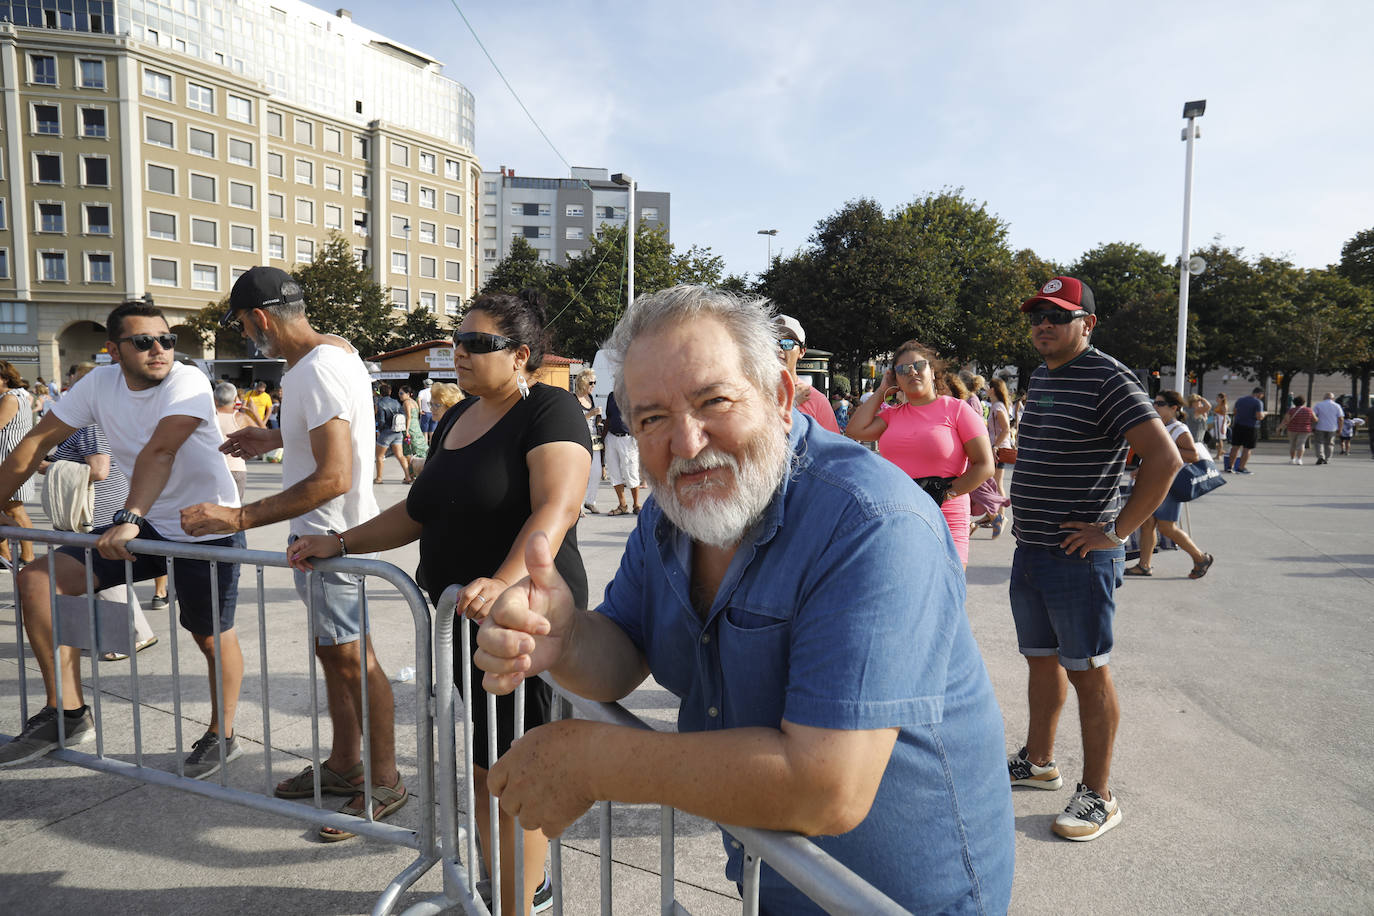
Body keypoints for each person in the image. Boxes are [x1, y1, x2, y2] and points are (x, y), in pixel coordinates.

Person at [473, 285, 1014, 913]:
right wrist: (563, 637)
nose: (686, 442)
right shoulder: (671, 515)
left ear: (782, 396)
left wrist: (595, 762)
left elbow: (826, 787)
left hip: (904, 897)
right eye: (651, 418)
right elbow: (624, 650)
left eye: (714, 401)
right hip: (773, 884)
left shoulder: (874, 523)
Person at [288, 292, 588, 914]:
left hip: (524, 618)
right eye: (458, 340)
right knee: (482, 766)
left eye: (479, 343)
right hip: (462, 619)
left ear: (521, 355)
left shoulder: (549, 409)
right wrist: (339, 541)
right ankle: (504, 887)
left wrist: (505, 579)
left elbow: (556, 507)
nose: (461, 352)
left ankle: (519, 899)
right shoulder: (458, 417)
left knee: (514, 769)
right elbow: (416, 512)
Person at [181, 266, 402, 842]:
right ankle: (345, 763)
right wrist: (277, 437)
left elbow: (333, 475)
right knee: (336, 656)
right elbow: (337, 435)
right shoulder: (338, 352)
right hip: (323, 540)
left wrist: (237, 517)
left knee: (355, 661)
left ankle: (384, 780)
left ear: (257, 318)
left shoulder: (314, 370)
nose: (250, 337)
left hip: (331, 538)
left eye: (245, 326)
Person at [0, 300, 245, 777]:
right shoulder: (98, 383)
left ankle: (224, 734)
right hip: (145, 520)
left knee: (210, 637)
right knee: (37, 582)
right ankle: (66, 713)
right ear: (113, 349)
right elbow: (35, 442)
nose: (160, 350)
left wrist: (130, 515)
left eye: (166, 340)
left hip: (205, 526)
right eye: (143, 341)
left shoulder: (187, 380)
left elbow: (162, 450)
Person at [1006, 277, 1180, 842]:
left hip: (1077, 558)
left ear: (1088, 323)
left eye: (1057, 315)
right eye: (1037, 315)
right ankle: (1039, 762)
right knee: (1041, 660)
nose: (1043, 325)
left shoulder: (1107, 376)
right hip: (1031, 547)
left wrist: (1118, 534)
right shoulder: (1043, 375)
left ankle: (1100, 794)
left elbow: (1165, 458)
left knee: (1087, 672)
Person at [39, 368, 158, 662]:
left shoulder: (91, 424)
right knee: (98, 576)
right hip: (93, 510)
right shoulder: (93, 421)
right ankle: (122, 634)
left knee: (104, 576)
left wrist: (46, 467)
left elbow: (99, 469)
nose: (67, 391)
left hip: (95, 511)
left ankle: (136, 635)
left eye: (72, 386)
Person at [845, 342, 994, 567]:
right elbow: (854, 430)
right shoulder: (892, 415)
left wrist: (946, 494)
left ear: (932, 371)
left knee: (945, 591)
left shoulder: (957, 410)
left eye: (918, 365)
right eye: (902, 370)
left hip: (946, 515)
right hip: (900, 514)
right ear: (896, 379)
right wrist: (882, 387)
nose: (912, 371)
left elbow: (984, 465)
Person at [1124, 390, 1215, 579]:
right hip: (1153, 483)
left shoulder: (1179, 429)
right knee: (1147, 524)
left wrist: (1167, 450)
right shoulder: (1160, 426)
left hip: (1169, 485)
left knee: (1167, 527)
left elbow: (1192, 455)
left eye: (1160, 404)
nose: (1155, 406)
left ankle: (1200, 558)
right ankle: (1144, 565)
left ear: (1174, 408)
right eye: (1154, 403)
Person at [773, 314, 840, 433]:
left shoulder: (817, 400)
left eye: (787, 343)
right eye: (772, 341)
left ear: (802, 352)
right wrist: (791, 403)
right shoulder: (751, 394)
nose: (779, 349)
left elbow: (832, 448)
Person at [0, 361, 38, 567]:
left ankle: (28, 555)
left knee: (14, 509)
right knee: (8, 509)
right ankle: (5, 556)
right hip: (12, 458)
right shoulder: (21, 395)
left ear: (4, 378)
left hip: (9, 459)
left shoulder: (10, 398)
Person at [213, 381, 255, 502]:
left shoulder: (208, 417)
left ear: (215, 398)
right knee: (234, 509)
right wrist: (254, 413)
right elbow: (264, 434)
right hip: (236, 467)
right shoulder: (241, 418)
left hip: (213, 468)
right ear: (235, 398)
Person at [603, 389, 642, 515]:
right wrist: (603, 439)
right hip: (611, 437)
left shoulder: (634, 394)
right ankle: (622, 505)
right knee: (614, 473)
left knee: (631, 472)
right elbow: (608, 418)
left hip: (628, 438)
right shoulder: (611, 396)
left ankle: (636, 505)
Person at [574, 370, 604, 515]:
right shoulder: (574, 398)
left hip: (594, 439)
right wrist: (590, 414)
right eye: (591, 382)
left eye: (594, 383)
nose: (593, 385)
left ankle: (590, 501)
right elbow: (573, 420)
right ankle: (577, 506)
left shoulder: (590, 397)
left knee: (597, 472)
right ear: (583, 382)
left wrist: (598, 418)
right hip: (580, 439)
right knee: (582, 474)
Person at [373, 383, 413, 484]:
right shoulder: (396, 402)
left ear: (380, 393)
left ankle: (379, 478)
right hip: (397, 431)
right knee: (400, 455)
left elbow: (381, 420)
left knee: (379, 456)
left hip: (387, 432)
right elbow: (402, 414)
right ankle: (408, 477)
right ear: (390, 392)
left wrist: (379, 431)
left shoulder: (380, 404)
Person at [1227, 387, 1265, 474]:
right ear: (1260, 394)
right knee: (1247, 448)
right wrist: (1264, 414)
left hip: (1238, 425)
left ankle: (1230, 466)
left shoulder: (1240, 400)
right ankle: (1241, 467)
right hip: (1251, 427)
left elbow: (1235, 412)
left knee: (1235, 447)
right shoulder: (1258, 402)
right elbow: (1259, 416)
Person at [1278, 395, 1317, 465]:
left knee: (1292, 444)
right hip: (1305, 430)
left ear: (1294, 403)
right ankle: (1299, 459)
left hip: (1292, 429)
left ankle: (1292, 459)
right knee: (1301, 444)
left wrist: (1279, 427)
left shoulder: (1291, 410)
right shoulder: (1309, 410)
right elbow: (1315, 419)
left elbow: (1285, 420)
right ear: (1304, 402)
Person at [399, 385, 428, 475]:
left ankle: (411, 473)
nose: (399, 395)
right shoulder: (414, 402)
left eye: (401, 393)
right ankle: (417, 471)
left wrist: (407, 431)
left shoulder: (406, 403)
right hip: (416, 427)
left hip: (410, 427)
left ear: (408, 394)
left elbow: (408, 417)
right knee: (419, 449)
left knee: (407, 451)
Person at [1311, 392, 1344, 465]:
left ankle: (1320, 456)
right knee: (1329, 444)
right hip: (1332, 428)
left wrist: (1312, 426)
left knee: (1319, 442)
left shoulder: (1318, 405)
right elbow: (1341, 418)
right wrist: (1340, 429)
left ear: (1324, 398)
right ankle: (1327, 458)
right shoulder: (1337, 406)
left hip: (1320, 427)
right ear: (1333, 398)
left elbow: (1313, 416)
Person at [1211, 392, 1231, 466]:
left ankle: (1218, 455)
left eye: (1218, 397)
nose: (1216, 399)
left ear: (1222, 398)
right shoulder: (1218, 405)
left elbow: (1225, 417)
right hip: (1216, 421)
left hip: (1220, 422)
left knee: (1220, 439)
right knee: (1214, 436)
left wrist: (1223, 426)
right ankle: (1220, 451)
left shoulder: (1224, 406)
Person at [417, 378, 434, 444]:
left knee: (425, 432)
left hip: (425, 413)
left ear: (425, 385)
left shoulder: (422, 392)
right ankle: (432, 447)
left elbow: (419, 399)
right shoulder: (434, 391)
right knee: (432, 432)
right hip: (433, 412)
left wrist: (420, 409)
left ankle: (425, 448)